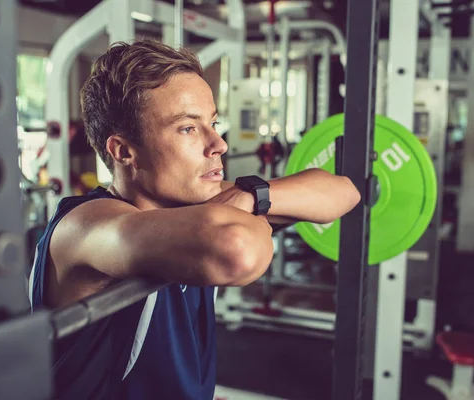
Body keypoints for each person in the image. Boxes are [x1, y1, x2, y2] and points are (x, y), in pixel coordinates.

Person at [29, 39, 360, 400]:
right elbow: (237, 252)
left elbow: (342, 191)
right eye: (188, 128)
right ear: (123, 151)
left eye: (213, 122)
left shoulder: (197, 203)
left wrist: (250, 195)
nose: (219, 143)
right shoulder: (87, 226)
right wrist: (251, 208)